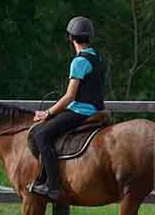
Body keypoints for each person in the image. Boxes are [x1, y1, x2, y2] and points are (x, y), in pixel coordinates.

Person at [28, 16, 107, 200]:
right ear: (90, 37)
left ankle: (52, 185)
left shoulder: (79, 62)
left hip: (80, 112)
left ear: (71, 38)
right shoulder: (99, 58)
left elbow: (70, 96)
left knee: (41, 135)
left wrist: (47, 113)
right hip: (98, 111)